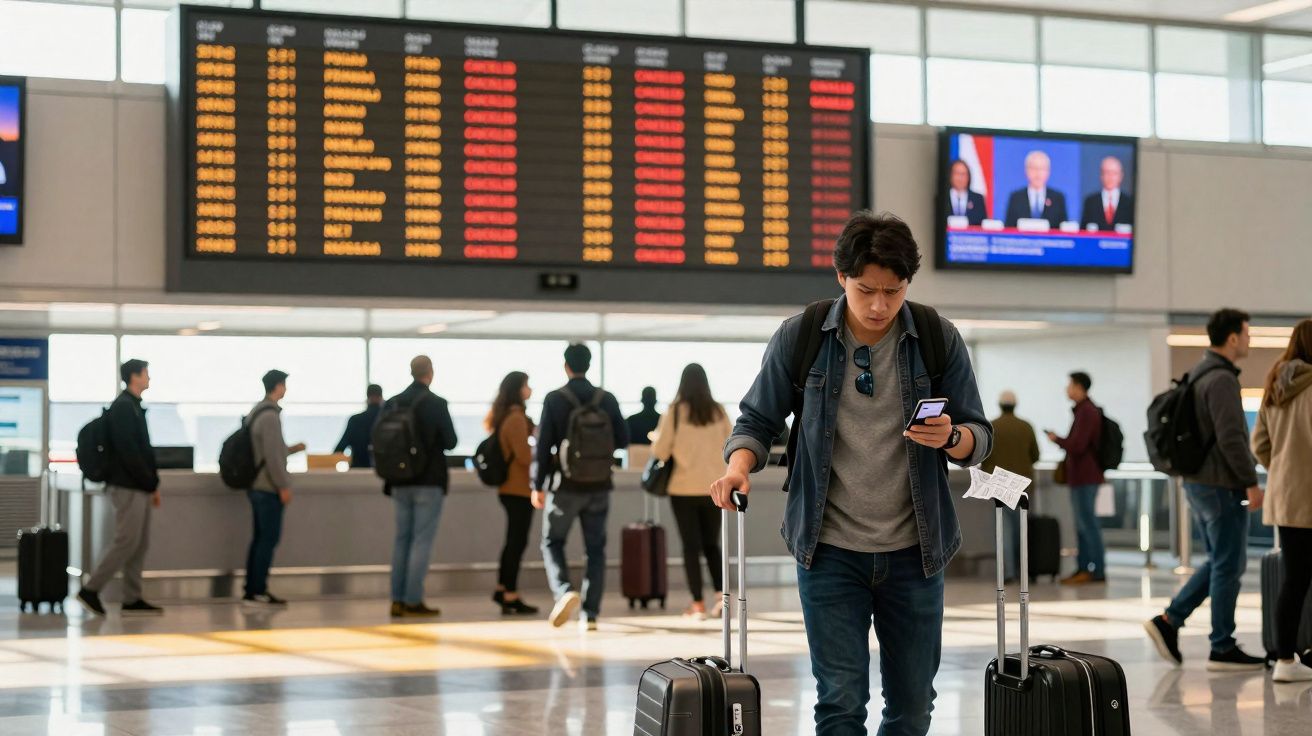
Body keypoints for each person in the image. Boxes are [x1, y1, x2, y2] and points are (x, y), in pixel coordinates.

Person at [711, 210, 993, 736]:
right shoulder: (802, 337)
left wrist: (953, 437)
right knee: (840, 704)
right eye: (867, 290)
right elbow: (757, 419)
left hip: (916, 552)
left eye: (894, 290)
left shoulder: (936, 336)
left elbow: (980, 437)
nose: (881, 305)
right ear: (841, 278)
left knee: (913, 708)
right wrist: (738, 468)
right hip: (829, 551)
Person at [1144, 308, 1267, 672]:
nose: (1249, 340)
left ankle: (1170, 622)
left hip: (1200, 481)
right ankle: (1222, 646)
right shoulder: (1222, 379)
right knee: (1229, 564)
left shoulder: (1200, 372)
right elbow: (1231, 437)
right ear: (1232, 337)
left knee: (1220, 560)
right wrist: (1251, 481)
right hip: (1219, 484)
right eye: (1246, 333)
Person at [532, 343, 629, 631]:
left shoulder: (554, 399)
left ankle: (564, 591)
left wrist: (537, 485)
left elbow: (542, 445)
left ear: (566, 366)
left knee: (552, 542)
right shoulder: (606, 398)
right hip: (600, 484)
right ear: (588, 364)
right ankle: (591, 614)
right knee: (595, 549)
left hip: (565, 486)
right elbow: (623, 439)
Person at [77, 359, 164, 617]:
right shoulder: (124, 408)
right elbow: (129, 451)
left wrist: (152, 484)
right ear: (134, 377)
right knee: (126, 541)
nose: (149, 378)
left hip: (139, 486)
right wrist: (149, 482)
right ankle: (90, 589)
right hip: (128, 486)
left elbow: (142, 451)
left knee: (139, 543)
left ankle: (132, 597)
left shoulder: (134, 407)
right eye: (146, 373)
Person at [1252, 319, 1312, 682]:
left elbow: (1259, 444)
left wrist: (1284, 468)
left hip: (1286, 499)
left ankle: (1285, 661)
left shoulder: (1275, 386)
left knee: (1294, 579)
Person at [650, 363, 733, 620]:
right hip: (714, 488)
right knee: (711, 545)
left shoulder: (674, 412)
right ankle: (721, 600)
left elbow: (660, 452)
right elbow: (732, 443)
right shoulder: (718, 411)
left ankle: (697, 604)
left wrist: (656, 438)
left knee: (690, 547)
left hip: (683, 488)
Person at [384, 355, 458, 618]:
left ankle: (397, 599)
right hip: (428, 480)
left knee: (401, 539)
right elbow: (451, 441)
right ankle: (413, 599)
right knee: (421, 541)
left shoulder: (392, 402)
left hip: (399, 481)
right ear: (430, 372)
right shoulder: (436, 403)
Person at [243, 369, 306, 608]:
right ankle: (257, 590)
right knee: (267, 539)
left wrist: (291, 450)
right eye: (284, 385)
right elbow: (271, 457)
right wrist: (283, 485)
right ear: (278, 386)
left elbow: (272, 450)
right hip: (266, 488)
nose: (286, 389)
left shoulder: (257, 412)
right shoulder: (270, 415)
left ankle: (253, 589)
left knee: (260, 539)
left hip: (258, 485)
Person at [486, 371, 539, 616]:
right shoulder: (517, 419)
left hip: (509, 488)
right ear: (519, 389)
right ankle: (510, 594)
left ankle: (502, 588)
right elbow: (524, 456)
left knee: (513, 541)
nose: (530, 390)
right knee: (517, 542)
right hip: (518, 489)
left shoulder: (504, 416)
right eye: (527, 385)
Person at [1045, 372, 1106, 585]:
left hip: (1084, 477)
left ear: (1079, 387)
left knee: (1087, 524)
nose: (1067, 389)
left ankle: (1094, 569)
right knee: (1084, 524)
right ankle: (1087, 568)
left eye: (1070, 385)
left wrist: (1057, 440)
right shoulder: (1084, 411)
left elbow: (1078, 445)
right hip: (1083, 477)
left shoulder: (1087, 412)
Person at [981, 390, 1039, 584]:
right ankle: (1024, 571)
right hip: (1023, 485)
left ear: (1000, 405)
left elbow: (983, 455)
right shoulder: (1026, 427)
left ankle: (1008, 573)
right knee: (1022, 529)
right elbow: (1036, 455)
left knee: (1004, 530)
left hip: (999, 485)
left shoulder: (992, 426)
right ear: (1015, 405)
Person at [1003, 150, 1067, 229]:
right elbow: (1009, 228)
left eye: (1042, 168)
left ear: (1048, 172)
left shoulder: (1058, 198)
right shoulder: (1016, 198)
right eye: (1034, 168)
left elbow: (1063, 230)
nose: (1038, 173)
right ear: (1026, 171)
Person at [333, 384, 383, 468]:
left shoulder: (355, 420)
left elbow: (339, 450)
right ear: (381, 398)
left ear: (367, 398)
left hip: (358, 471)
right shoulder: (386, 419)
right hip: (384, 472)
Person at [1080, 156, 1134, 231]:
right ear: (1101, 175)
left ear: (1121, 176)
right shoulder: (1091, 202)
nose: (1110, 177)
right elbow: (1083, 230)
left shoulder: (1129, 202)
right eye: (1107, 172)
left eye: (1114, 173)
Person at [946, 159, 986, 226]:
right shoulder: (942, 198)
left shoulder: (977, 199)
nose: (960, 178)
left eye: (963, 174)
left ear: (968, 177)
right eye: (957, 173)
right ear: (950, 175)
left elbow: (982, 225)